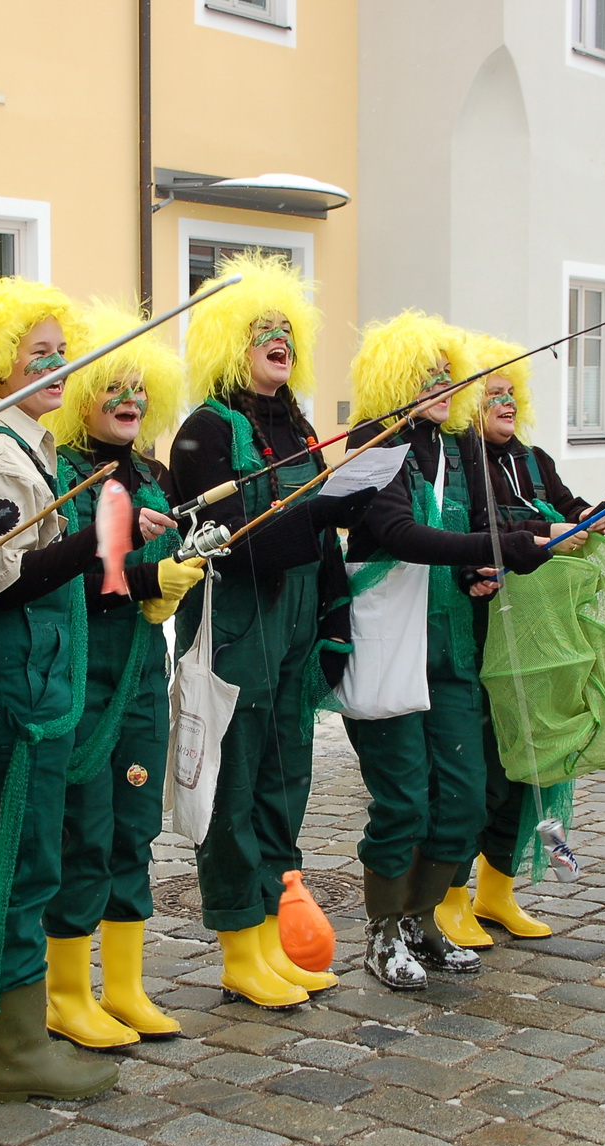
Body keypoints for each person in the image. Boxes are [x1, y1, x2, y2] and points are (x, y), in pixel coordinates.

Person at [169, 252, 364, 1008]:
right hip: (236, 629)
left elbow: (321, 536)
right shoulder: (205, 431)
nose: (277, 338)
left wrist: (336, 612)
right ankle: (238, 946)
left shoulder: (299, 423)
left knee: (286, 781)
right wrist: (321, 513)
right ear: (229, 342)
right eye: (261, 329)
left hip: (294, 626)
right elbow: (233, 538)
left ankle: (275, 934)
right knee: (234, 787)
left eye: (286, 328)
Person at [338, 313, 552, 989]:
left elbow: (461, 535)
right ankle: (382, 928)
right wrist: (485, 550)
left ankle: (421, 916)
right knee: (405, 800)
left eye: (446, 372)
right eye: (423, 373)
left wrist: (477, 572)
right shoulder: (371, 443)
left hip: (451, 648)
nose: (439, 384)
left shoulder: (458, 448)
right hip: (387, 650)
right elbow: (395, 531)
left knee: (463, 797)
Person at [0, 276, 118, 1101]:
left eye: (62, 351)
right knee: (15, 863)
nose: (58, 365)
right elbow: (1, 579)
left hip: (35, 682)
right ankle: (14, 1047)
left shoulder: (26, 445)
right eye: (38, 354)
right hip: (14, 688)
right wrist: (97, 539)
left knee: (9, 861)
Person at [38, 300, 204, 1047]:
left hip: (141, 669)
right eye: (112, 386)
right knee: (84, 829)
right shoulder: (60, 473)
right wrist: (141, 582)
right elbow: (52, 577)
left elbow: (158, 560)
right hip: (80, 671)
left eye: (138, 386)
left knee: (133, 826)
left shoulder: (156, 472)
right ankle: (67, 993)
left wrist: (180, 573)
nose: (129, 399)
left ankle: (128, 986)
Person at [434, 332, 597, 949]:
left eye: (510, 395)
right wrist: (542, 529)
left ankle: (498, 892)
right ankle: (453, 895)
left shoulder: (534, 458)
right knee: (480, 770)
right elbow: (483, 528)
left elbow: (564, 501)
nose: (504, 405)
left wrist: (584, 516)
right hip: (480, 636)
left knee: (528, 765)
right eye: (491, 395)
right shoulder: (459, 460)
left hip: (538, 641)